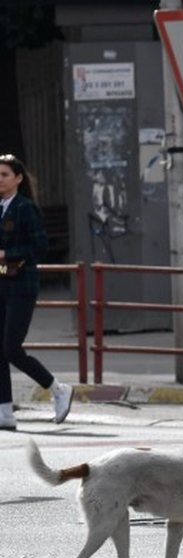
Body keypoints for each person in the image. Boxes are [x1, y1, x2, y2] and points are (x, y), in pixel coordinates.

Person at [0, 154, 73, 429]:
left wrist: (8, 254)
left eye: (4, 175)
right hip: (1, 282)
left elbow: (40, 246)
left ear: (18, 178)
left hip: (22, 285)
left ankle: (58, 389)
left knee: (11, 348)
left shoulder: (25, 208)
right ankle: (4, 411)